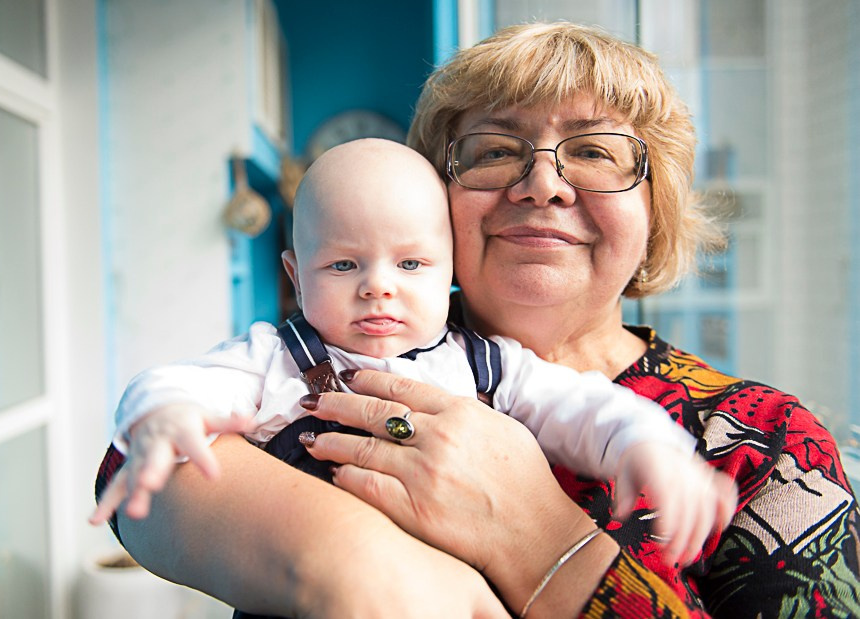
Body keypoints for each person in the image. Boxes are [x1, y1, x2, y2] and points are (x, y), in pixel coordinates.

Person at [94, 21, 860, 619]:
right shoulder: (325, 348)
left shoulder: (770, 448)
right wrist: (356, 559)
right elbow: (139, 461)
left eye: (595, 151)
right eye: (495, 150)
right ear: (429, 201)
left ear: (654, 206)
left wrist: (539, 537)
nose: (541, 183)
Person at [93, 138, 735, 571]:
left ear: (450, 271)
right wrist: (165, 417)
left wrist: (647, 447)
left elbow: (583, 406)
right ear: (295, 273)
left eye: (411, 263)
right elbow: (181, 384)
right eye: (343, 263)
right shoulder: (275, 360)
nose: (378, 284)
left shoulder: (488, 366)